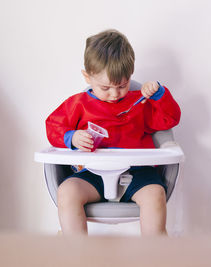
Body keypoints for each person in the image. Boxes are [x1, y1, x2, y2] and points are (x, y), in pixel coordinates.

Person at [45, 29, 181, 236]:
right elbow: (53, 126)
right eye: (105, 87)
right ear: (87, 77)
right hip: (92, 173)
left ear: (130, 76)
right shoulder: (78, 105)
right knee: (67, 191)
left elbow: (169, 119)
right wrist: (71, 137)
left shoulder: (139, 102)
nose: (115, 94)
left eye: (122, 85)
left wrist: (159, 95)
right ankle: (75, 249)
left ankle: (156, 253)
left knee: (155, 194)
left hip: (138, 174)